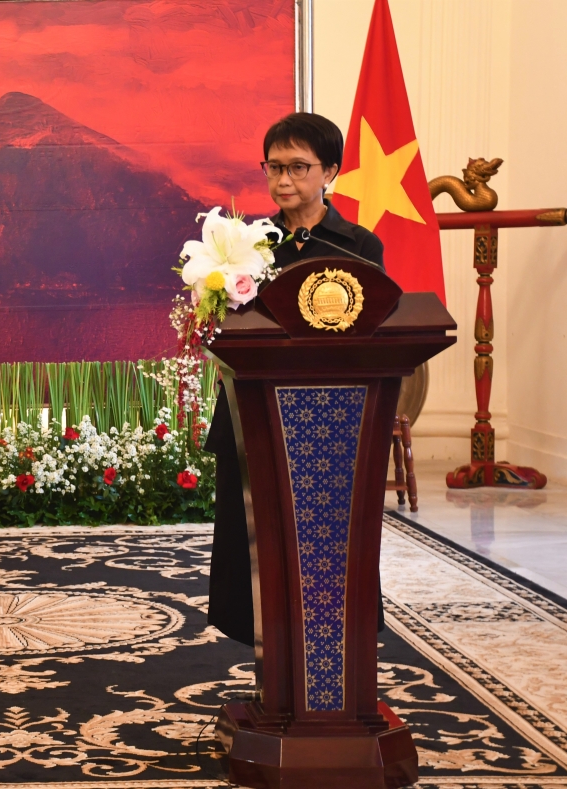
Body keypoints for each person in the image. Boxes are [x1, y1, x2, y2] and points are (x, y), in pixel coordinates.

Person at [205, 112, 383, 645]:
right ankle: (266, 644)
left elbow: (375, 327)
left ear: (330, 171)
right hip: (255, 412)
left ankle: (333, 641)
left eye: (298, 167)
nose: (283, 180)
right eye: (274, 167)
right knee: (255, 538)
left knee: (331, 542)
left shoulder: (358, 246)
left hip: (331, 419)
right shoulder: (248, 247)